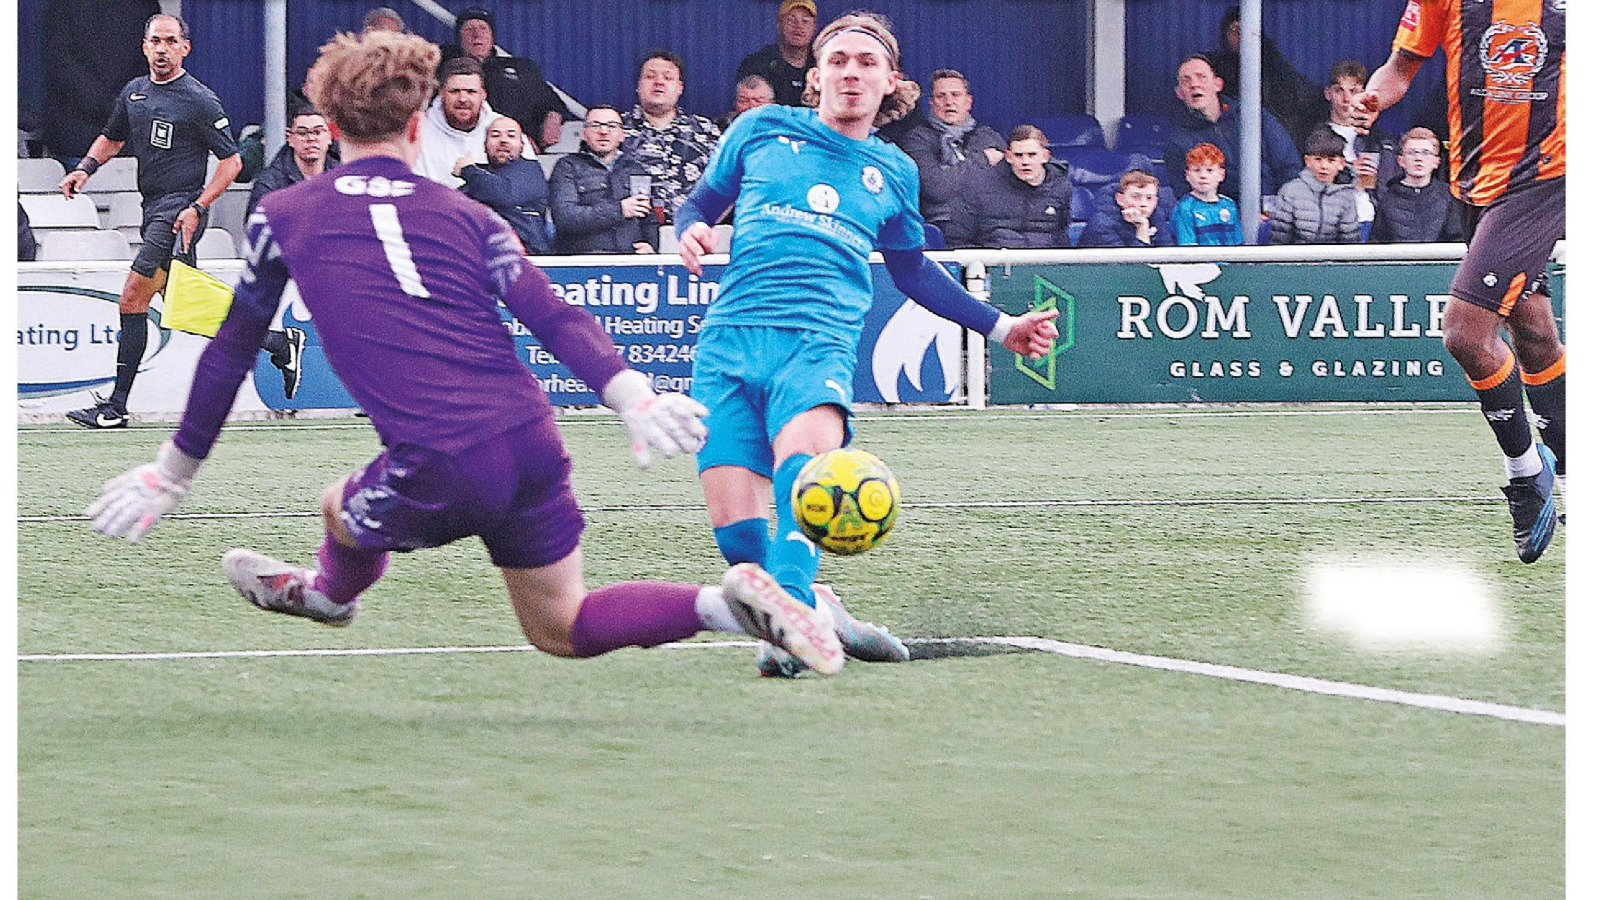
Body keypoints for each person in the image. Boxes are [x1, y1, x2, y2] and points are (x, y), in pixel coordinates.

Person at [84, 29, 850, 678]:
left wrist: (173, 471)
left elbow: (230, 348)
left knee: (336, 510)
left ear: (326, 121)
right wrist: (634, 398)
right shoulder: (467, 214)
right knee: (561, 625)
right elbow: (552, 313)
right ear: (419, 126)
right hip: (532, 441)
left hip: (443, 456)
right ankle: (726, 603)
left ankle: (329, 597)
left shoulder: (285, 212)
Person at [674, 12, 1060, 676]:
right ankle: (824, 610)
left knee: (804, 474)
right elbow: (699, 204)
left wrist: (1001, 326)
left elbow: (910, 272)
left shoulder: (894, 171)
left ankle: (789, 627)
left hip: (817, 344)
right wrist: (690, 230)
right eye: (840, 60)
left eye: (867, 63)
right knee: (740, 548)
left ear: (890, 83)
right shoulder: (760, 130)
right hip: (730, 345)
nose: (852, 72)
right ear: (817, 75)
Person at [1354, 0, 1565, 562]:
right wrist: (1374, 98)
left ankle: (1526, 471)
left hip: (1547, 176)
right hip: (1476, 185)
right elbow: (1399, 70)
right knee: (1534, 327)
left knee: (1465, 334)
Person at [57, 14, 276, 429]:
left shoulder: (198, 98)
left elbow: (232, 162)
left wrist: (199, 205)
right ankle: (278, 343)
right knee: (186, 305)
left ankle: (116, 407)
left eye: (170, 41)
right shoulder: (134, 92)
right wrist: (86, 168)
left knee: (132, 298)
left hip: (178, 214)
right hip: (152, 208)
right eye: (155, 41)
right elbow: (114, 136)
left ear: (184, 48)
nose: (161, 48)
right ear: (144, 47)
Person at [241, 104, 338, 399]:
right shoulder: (271, 182)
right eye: (303, 133)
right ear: (290, 138)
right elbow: (255, 231)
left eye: (318, 132)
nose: (311, 139)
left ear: (330, 136)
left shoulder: (345, 175)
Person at [1163, 53, 1299, 208]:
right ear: (1179, 93)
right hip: (1222, 222)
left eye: (1201, 77)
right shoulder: (1177, 142)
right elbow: (1187, 198)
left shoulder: (1253, 116)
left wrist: (1278, 210)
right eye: (1186, 80)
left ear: (1218, 84)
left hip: (1275, 214)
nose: (1194, 84)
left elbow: (1289, 166)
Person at [895, 68, 1005, 245]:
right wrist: (982, 160)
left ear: (968, 102)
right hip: (943, 228)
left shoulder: (988, 137)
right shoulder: (917, 139)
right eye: (941, 96)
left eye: (955, 95)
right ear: (931, 103)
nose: (949, 102)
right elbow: (937, 188)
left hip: (989, 227)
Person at [439, 7, 566, 152]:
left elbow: (553, 103)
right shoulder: (442, 66)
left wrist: (553, 117)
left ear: (492, 37)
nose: (477, 35)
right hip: (456, 145)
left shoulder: (522, 69)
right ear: (459, 38)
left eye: (483, 29)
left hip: (514, 150)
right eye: (469, 29)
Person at [620, 51, 721, 227]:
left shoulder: (705, 131)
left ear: (680, 87)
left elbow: (727, 182)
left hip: (692, 233)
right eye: (650, 76)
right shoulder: (616, 129)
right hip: (631, 237)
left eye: (668, 78)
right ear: (638, 85)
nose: (659, 82)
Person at [1209, 5, 1326, 152]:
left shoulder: (1273, 63)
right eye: (1234, 30)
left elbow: (1303, 93)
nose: (1240, 34)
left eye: (1246, 29)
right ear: (1225, 35)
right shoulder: (1216, 67)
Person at [548, 105, 655, 255]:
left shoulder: (636, 170)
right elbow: (565, 218)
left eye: (611, 126)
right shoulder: (567, 167)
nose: (603, 131)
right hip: (582, 264)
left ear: (622, 135)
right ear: (584, 134)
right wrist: (619, 210)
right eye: (595, 125)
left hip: (631, 264)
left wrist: (651, 245)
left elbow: (650, 220)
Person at [964, 125, 1075, 249]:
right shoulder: (980, 186)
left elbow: (1061, 236)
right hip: (995, 265)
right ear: (1008, 157)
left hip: (1045, 265)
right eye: (1018, 155)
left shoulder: (1061, 187)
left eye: (1031, 154)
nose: (1025, 162)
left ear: (1045, 156)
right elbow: (961, 238)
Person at [457, 115, 552, 254]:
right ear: (485, 145)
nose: (503, 140)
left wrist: (468, 170)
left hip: (527, 261)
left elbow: (503, 194)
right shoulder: (479, 177)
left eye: (511, 135)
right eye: (495, 135)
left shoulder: (531, 171)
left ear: (522, 146)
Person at [1321, 59, 1399, 226]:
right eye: (1339, 90)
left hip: (1377, 225)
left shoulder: (1383, 141)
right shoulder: (1314, 138)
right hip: (1331, 223)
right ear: (1328, 94)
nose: (1346, 99)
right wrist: (1349, 173)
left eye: (1354, 91)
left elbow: (1393, 189)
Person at [1368, 126, 1464, 244]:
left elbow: (1457, 240)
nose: (1418, 158)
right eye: (1412, 153)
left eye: (1426, 153)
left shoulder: (1449, 196)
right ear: (1401, 160)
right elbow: (1376, 243)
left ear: (1436, 161)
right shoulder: (1386, 197)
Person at [1268, 126, 1361, 245]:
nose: (1324, 166)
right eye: (1318, 159)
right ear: (1307, 161)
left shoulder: (1346, 196)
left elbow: (1350, 244)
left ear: (1341, 163)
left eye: (1331, 160)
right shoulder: (1290, 191)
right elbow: (1279, 241)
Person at [414, 56, 498, 188]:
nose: (463, 98)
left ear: (483, 95)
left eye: (471, 92)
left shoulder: (506, 129)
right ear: (441, 93)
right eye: (455, 91)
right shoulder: (416, 131)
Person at [736, 0, 818, 107]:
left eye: (805, 21)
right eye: (791, 20)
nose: (798, 26)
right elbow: (749, 111)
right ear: (779, 26)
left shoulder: (823, 64)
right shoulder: (756, 64)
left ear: (814, 28)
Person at [1170, 142, 1243, 246]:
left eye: (1209, 170)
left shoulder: (1229, 205)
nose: (1203, 175)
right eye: (1196, 170)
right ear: (1187, 175)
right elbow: (1187, 249)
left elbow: (1238, 243)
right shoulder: (1185, 208)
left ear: (1221, 175)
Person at [1079, 169, 1174, 248]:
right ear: (1119, 199)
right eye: (1135, 197)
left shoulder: (1157, 218)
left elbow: (1169, 256)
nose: (1143, 204)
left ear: (1156, 201)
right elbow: (1130, 268)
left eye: (1149, 198)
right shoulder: (1101, 225)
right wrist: (1142, 230)